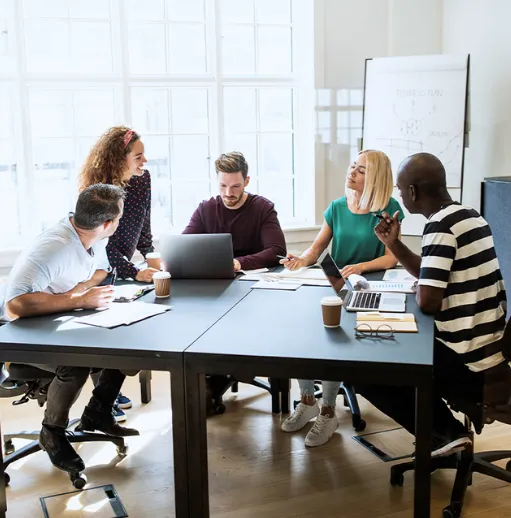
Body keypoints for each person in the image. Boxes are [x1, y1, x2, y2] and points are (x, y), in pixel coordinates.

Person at [360, 152, 510, 456]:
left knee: (367, 366)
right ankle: (443, 428)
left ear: (413, 191)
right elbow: (432, 272)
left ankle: (444, 432)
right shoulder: (469, 215)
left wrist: (421, 291)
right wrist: (395, 244)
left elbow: (428, 303)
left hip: (467, 360)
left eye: (401, 189)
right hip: (492, 349)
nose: (400, 195)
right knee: (387, 347)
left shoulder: (439, 227)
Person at [4, 184, 139, 474]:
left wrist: (83, 291)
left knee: (123, 344)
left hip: (57, 320)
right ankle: (51, 432)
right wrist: (77, 299)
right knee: (74, 364)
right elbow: (13, 306)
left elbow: (99, 271)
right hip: (19, 333)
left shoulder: (92, 234)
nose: (119, 223)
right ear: (107, 224)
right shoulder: (54, 247)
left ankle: (98, 413)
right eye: (118, 219)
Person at [280, 149, 404, 447]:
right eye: (352, 166)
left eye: (361, 170)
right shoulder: (337, 207)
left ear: (375, 177)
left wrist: (360, 266)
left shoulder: (389, 208)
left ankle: (328, 411)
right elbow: (316, 248)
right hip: (335, 284)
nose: (352, 172)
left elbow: (391, 258)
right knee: (305, 337)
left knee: (332, 346)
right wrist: (300, 260)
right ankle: (308, 401)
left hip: (369, 288)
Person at [79, 126, 157, 419]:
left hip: (126, 266)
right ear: (119, 159)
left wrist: (151, 259)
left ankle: (106, 395)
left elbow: (144, 225)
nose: (145, 160)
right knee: (106, 334)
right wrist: (133, 271)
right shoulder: (97, 191)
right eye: (138, 156)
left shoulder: (143, 180)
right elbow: (98, 242)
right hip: (99, 268)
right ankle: (104, 399)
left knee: (124, 332)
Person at [183, 151, 286, 271]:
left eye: (235, 186)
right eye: (223, 186)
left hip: (254, 279)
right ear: (217, 180)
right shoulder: (205, 209)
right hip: (215, 279)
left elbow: (277, 251)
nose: (228, 193)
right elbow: (183, 246)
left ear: (246, 181)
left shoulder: (263, 208)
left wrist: (239, 262)